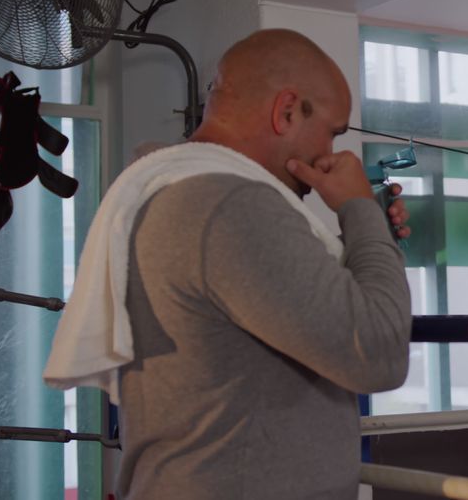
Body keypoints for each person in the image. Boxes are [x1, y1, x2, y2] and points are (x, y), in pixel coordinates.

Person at [44, 29, 413, 499]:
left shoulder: (184, 188)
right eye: (333, 131)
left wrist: (370, 234)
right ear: (285, 111)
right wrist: (358, 210)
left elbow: (328, 316)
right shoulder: (228, 205)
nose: (334, 154)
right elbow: (378, 352)